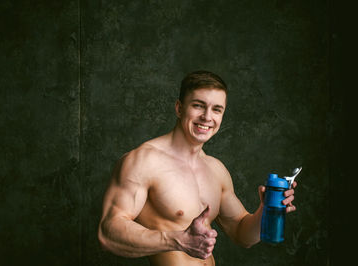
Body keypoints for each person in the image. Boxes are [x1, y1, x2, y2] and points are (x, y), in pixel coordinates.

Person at [98, 70, 297, 266]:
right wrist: (177, 240)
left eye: (217, 109)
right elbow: (108, 232)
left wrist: (267, 210)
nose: (207, 117)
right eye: (198, 106)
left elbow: (242, 234)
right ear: (179, 108)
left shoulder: (216, 169)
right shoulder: (143, 161)